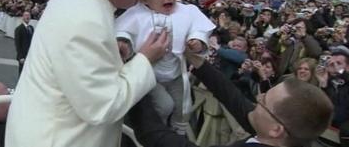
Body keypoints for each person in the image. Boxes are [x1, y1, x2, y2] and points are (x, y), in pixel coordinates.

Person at [5, 0, 169, 147]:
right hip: (58, 138)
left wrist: (109, 50)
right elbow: (104, 106)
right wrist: (145, 59)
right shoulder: (85, 20)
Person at [129, 51, 334, 147]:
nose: (258, 98)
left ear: (276, 130)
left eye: (263, 101)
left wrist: (137, 71)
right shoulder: (289, 136)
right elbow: (233, 98)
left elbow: (155, 136)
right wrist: (197, 61)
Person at [115, 0, 214, 134]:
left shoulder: (186, 11)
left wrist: (197, 41)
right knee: (165, 105)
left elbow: (199, 28)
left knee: (182, 107)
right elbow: (123, 32)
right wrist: (124, 43)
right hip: (150, 74)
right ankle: (155, 132)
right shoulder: (135, 14)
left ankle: (177, 132)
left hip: (175, 73)